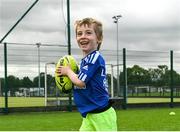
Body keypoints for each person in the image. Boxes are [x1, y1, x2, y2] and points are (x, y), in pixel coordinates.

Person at [56, 17, 117, 131]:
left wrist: (68, 71)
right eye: (79, 34)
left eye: (88, 33)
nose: (83, 36)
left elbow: (80, 82)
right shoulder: (85, 61)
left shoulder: (94, 58)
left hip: (102, 115)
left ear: (98, 38)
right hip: (89, 115)